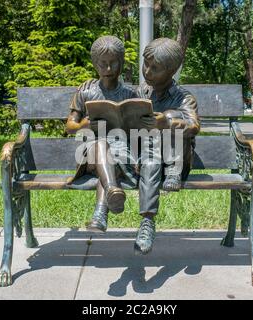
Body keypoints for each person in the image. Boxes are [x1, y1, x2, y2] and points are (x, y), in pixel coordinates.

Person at [134, 38, 200, 254]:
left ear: (171, 71)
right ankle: (147, 223)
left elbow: (193, 125)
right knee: (151, 150)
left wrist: (167, 122)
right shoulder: (141, 93)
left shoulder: (183, 97)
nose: (148, 72)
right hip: (147, 159)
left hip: (179, 162)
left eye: (155, 68)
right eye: (146, 64)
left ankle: (172, 172)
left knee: (171, 117)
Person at [66, 36, 138, 233]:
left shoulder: (131, 94)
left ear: (121, 63)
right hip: (90, 155)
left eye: (113, 63)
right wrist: (83, 124)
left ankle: (101, 214)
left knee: (107, 164)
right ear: (95, 64)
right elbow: (69, 126)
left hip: (122, 155)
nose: (108, 69)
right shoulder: (86, 93)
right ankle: (113, 191)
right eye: (102, 64)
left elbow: (142, 128)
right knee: (100, 146)